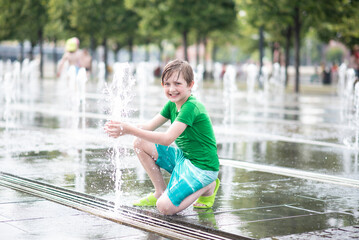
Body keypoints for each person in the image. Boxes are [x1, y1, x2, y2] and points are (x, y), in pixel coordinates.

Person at [104, 59, 220, 215]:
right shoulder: (172, 104)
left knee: (164, 207)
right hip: (184, 159)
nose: (172, 89)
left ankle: (208, 185)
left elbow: (167, 139)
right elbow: (148, 127)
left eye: (177, 83)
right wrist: (122, 126)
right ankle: (159, 191)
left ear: (190, 85)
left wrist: (129, 129)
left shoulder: (191, 107)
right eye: (167, 84)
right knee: (139, 142)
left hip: (203, 167)